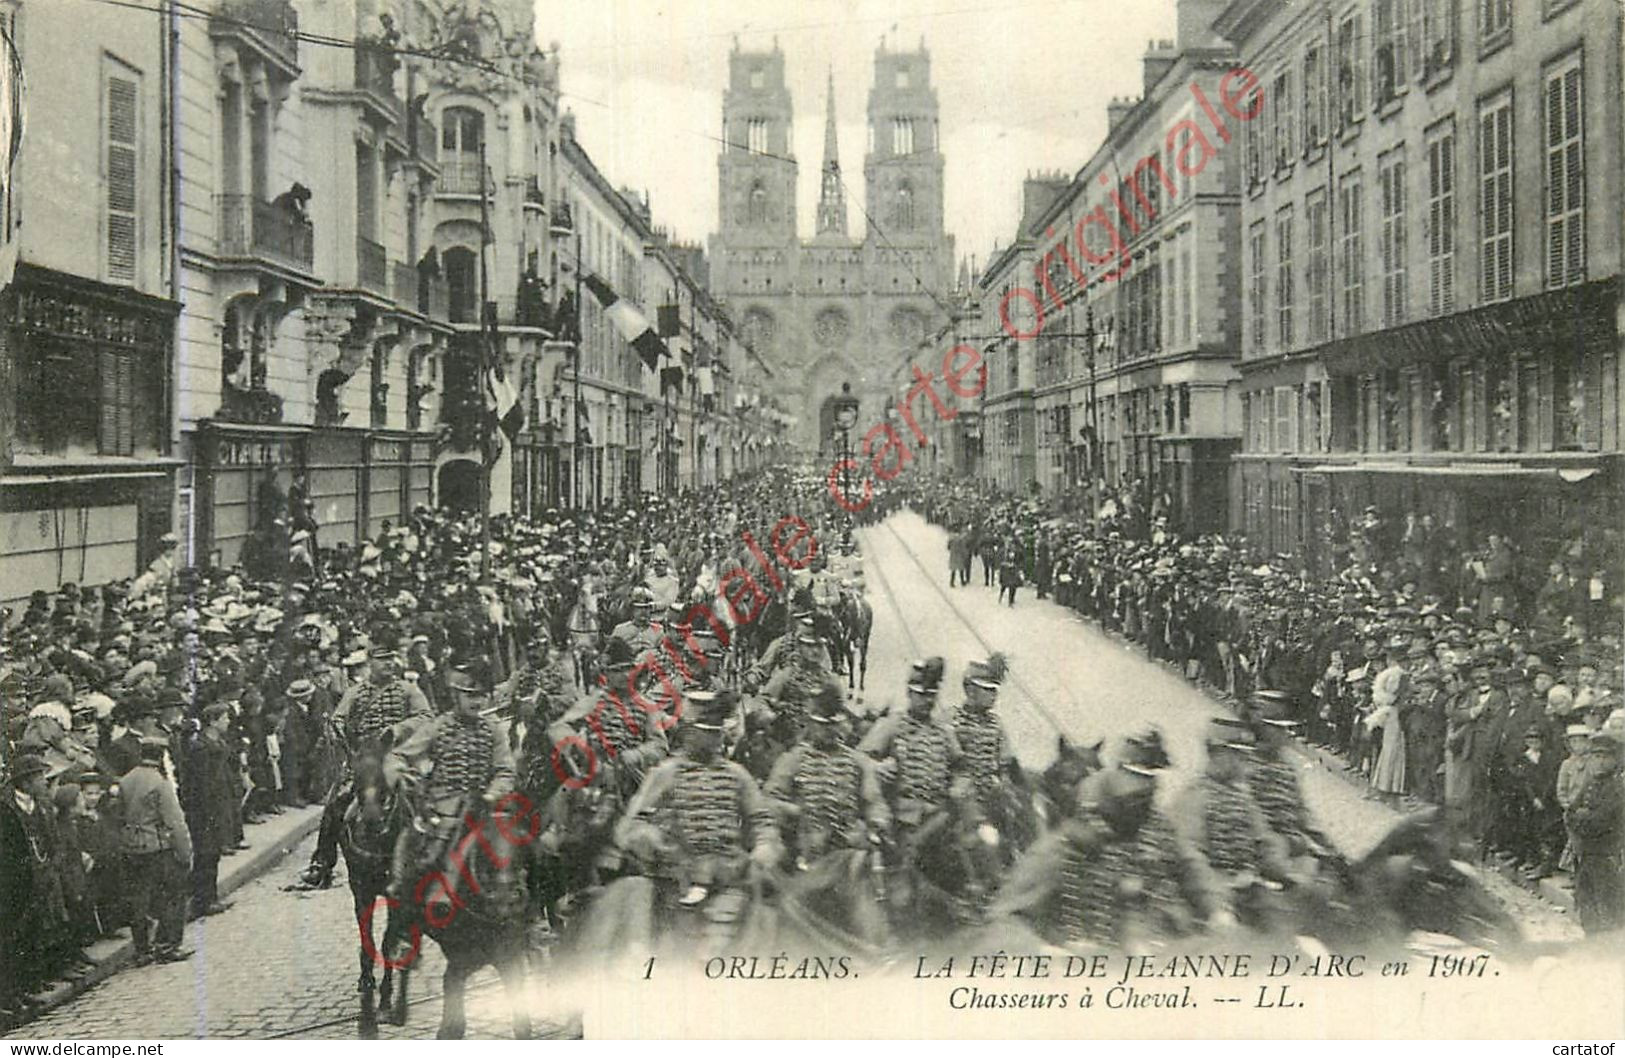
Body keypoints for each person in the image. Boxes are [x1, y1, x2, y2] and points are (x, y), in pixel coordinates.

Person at [615, 690, 780, 911]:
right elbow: (631, 825)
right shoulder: (666, 773)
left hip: (728, 874)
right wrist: (655, 842)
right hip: (675, 877)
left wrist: (763, 848)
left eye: (715, 732)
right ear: (688, 732)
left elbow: (762, 819)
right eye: (704, 732)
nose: (712, 739)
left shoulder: (736, 774)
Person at [293, 637, 432, 889]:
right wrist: (336, 729)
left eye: (390, 659)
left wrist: (398, 729)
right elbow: (338, 718)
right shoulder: (355, 692)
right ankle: (322, 862)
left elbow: (426, 716)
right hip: (366, 757)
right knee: (336, 802)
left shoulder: (408, 689)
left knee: (423, 795)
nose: (388, 664)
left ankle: (433, 853)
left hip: (401, 754)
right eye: (382, 660)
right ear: (370, 662)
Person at [764, 684, 890, 942]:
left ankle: (875, 944)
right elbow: (769, 799)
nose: (828, 731)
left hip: (848, 846)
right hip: (809, 849)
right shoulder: (794, 759)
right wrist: (796, 811)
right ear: (811, 724)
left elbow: (874, 800)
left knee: (864, 873)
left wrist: (876, 823)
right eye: (822, 724)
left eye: (833, 724)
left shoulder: (857, 761)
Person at [384, 659, 515, 904]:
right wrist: (401, 775)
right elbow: (398, 755)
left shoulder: (494, 730)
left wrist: (492, 794)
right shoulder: (437, 727)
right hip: (444, 807)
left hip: (484, 806)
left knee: (518, 850)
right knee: (424, 857)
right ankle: (405, 919)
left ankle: (533, 919)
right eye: (469, 695)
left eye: (481, 695)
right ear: (455, 696)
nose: (477, 702)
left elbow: (505, 770)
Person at [117, 730, 193, 965]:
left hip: (131, 846)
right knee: (172, 896)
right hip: (157, 847)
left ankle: (142, 950)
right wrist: (185, 853)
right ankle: (167, 946)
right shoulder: (160, 784)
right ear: (161, 756)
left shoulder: (126, 779)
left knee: (139, 898)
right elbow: (175, 822)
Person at [1565, 728, 1623, 936]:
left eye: (1604, 757)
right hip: (1586, 854)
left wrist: (1583, 817)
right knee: (1586, 903)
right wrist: (1582, 817)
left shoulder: (1617, 787)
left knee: (1608, 907)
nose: (1599, 761)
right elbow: (1570, 813)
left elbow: (1600, 822)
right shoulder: (1591, 783)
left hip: (1606, 855)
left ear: (1615, 760)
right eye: (1595, 756)